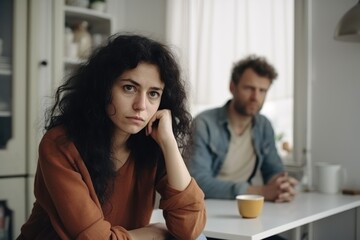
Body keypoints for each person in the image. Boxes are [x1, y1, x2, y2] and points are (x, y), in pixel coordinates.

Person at [18, 34, 206, 240]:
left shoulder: (152, 143)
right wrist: (153, 233)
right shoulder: (60, 144)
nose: (141, 106)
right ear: (103, 88)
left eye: (153, 93)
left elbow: (189, 228)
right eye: (129, 88)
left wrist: (169, 143)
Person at [188, 55, 298, 203]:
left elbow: (273, 170)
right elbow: (197, 182)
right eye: (249, 88)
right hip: (206, 206)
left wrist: (282, 185)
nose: (255, 97)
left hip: (244, 205)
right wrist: (260, 192)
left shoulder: (263, 126)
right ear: (232, 87)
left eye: (262, 91)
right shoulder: (204, 124)